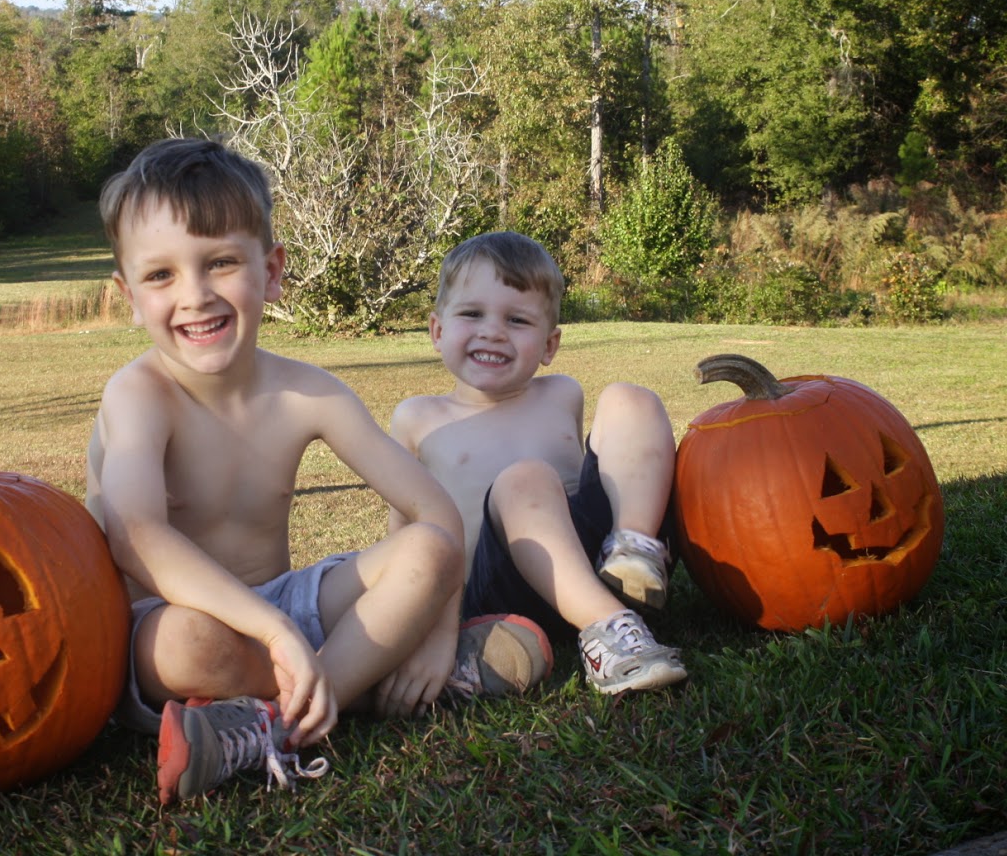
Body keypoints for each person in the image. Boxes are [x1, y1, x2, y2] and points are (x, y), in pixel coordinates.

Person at [85, 140, 552, 804]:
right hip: (175, 621)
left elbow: (436, 514)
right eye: (161, 275)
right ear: (129, 296)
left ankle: (270, 724)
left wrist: (438, 632)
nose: (195, 295)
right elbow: (136, 535)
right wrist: (271, 632)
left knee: (428, 548)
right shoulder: (139, 395)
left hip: (290, 604)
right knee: (183, 642)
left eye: (221, 263)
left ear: (271, 271)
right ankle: (368, 685)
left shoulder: (308, 392)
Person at [389, 231, 687, 695]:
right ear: (438, 331)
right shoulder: (419, 418)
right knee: (525, 479)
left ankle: (635, 549)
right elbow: (404, 533)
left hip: (592, 561)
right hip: (503, 591)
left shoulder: (562, 393)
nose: (493, 331)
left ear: (550, 345)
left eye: (517, 320)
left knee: (631, 399)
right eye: (472, 314)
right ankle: (609, 629)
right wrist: (408, 624)